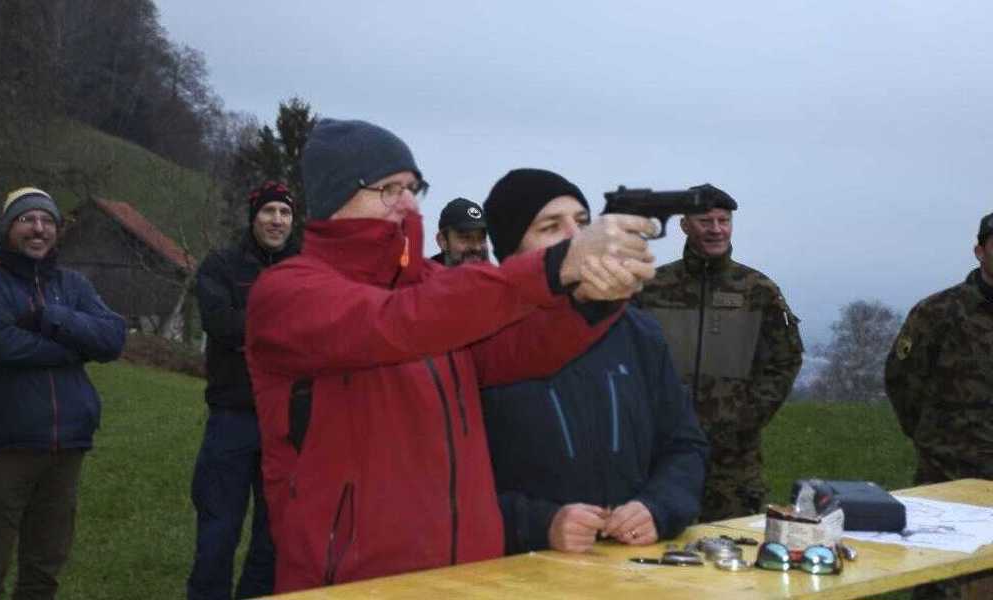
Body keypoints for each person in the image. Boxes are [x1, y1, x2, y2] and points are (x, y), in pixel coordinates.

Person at [244, 118, 657, 592]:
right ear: (336, 198)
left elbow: (517, 348)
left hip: (468, 574)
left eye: (412, 186)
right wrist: (554, 265)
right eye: (388, 188)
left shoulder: (432, 287)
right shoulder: (286, 293)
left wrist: (594, 298)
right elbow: (398, 322)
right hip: (352, 579)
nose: (408, 201)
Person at [480, 168, 709, 554]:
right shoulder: (481, 341)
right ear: (512, 253)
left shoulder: (639, 333)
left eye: (584, 222)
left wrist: (657, 507)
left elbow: (684, 446)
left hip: (633, 567)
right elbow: (448, 485)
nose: (577, 237)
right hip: (521, 574)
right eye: (551, 226)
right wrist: (540, 524)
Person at [0, 187, 125, 600]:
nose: (39, 229)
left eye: (47, 221)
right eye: (27, 219)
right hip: (3, 446)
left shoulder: (72, 284)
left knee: (44, 570)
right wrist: (74, 347)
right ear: (8, 226)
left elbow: (113, 337)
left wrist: (51, 317)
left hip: (66, 446)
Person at [634, 184, 803, 522]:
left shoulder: (758, 290)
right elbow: (627, 360)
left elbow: (784, 361)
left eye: (723, 220)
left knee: (734, 555)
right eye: (705, 221)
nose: (715, 229)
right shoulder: (651, 289)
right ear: (684, 225)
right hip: (660, 455)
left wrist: (743, 420)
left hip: (733, 464)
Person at [187, 182, 299, 600]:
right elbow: (221, 323)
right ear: (253, 216)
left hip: (286, 423)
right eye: (269, 211)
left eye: (284, 213)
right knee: (218, 534)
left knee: (273, 540)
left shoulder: (305, 268)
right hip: (232, 417)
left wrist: (253, 326)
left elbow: (318, 327)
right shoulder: (221, 265)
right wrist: (285, 326)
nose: (276, 220)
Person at [885, 211, 993, 600]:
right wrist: (932, 438)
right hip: (949, 471)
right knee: (939, 576)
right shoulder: (939, 312)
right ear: (980, 251)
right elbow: (902, 379)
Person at [430, 197, 488, 265]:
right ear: (442, 241)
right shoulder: (425, 274)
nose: (477, 247)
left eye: (482, 238)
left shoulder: (494, 274)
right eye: (466, 238)